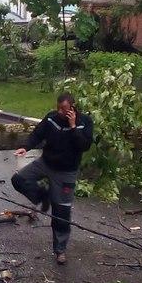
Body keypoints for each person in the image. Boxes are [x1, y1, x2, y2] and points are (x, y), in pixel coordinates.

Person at [11, 92, 93, 266]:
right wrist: (25, 147)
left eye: (64, 109)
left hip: (66, 172)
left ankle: (60, 250)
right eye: (58, 108)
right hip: (45, 163)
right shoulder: (51, 118)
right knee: (18, 179)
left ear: (72, 107)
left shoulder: (84, 122)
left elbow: (84, 146)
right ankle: (43, 197)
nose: (60, 112)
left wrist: (72, 126)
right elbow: (37, 135)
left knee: (61, 213)